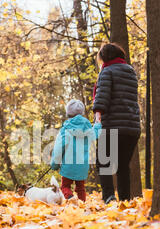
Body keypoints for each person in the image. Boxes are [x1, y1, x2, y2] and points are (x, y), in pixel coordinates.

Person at [93, 43, 141, 204]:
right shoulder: (130, 71)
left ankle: (109, 197)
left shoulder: (107, 71)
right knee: (122, 166)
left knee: (103, 162)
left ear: (105, 57)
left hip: (113, 124)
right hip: (132, 127)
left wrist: (97, 117)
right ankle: (125, 201)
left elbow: (102, 96)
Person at [50, 99, 101, 202]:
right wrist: (98, 124)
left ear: (68, 113)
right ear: (82, 113)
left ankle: (71, 199)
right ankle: (82, 205)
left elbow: (59, 148)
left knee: (65, 187)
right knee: (81, 189)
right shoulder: (88, 128)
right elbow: (96, 134)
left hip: (67, 166)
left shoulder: (65, 129)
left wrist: (55, 164)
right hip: (82, 166)